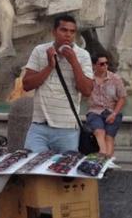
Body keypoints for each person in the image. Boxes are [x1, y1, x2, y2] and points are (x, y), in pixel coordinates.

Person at [22, 14, 93, 153]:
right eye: (64, 30)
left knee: (64, 172)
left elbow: (86, 90)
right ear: (54, 32)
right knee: (31, 169)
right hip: (39, 127)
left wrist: (74, 62)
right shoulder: (40, 51)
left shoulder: (83, 55)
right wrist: (49, 67)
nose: (68, 35)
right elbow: (26, 85)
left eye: (72, 32)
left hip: (67, 129)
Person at [86, 54, 126, 158]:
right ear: (94, 65)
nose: (105, 66)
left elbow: (122, 98)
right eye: (102, 64)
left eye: (107, 63)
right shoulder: (89, 79)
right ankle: (103, 155)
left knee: (109, 137)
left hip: (112, 111)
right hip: (95, 111)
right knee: (99, 132)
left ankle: (106, 161)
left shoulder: (115, 78)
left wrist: (114, 113)